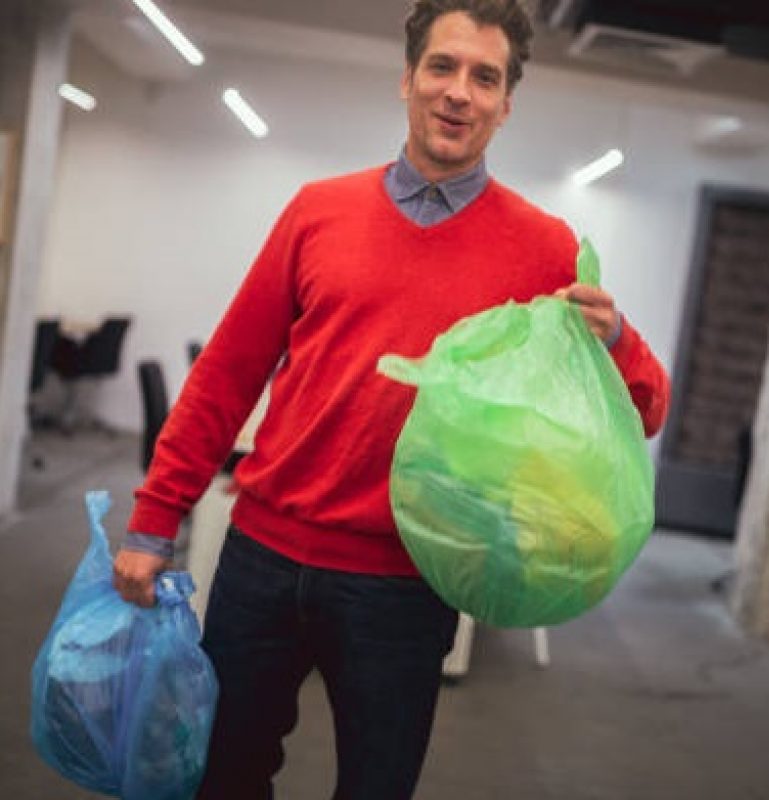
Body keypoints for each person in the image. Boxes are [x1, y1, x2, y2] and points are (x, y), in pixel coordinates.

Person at [113, 1, 671, 797]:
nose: (458, 92)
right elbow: (226, 376)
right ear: (407, 78)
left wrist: (616, 340)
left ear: (506, 103)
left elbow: (646, 409)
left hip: (406, 583)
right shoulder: (317, 212)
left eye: (485, 77)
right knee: (221, 778)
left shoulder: (544, 248)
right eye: (442, 67)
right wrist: (154, 519)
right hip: (263, 559)